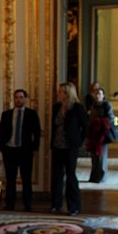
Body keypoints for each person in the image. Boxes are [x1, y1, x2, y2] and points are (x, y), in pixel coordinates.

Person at [0, 88, 41, 211]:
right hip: (10, 150)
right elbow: (2, 132)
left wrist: (34, 148)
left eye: (21, 97)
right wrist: (3, 148)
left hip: (25, 151)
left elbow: (36, 132)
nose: (18, 100)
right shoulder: (6, 114)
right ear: (13, 99)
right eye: (16, 97)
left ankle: (28, 204)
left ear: (25, 99)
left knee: (26, 179)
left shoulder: (32, 114)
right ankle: (10, 204)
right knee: (10, 179)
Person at [50, 82, 88, 215]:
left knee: (71, 176)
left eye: (60, 92)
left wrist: (78, 141)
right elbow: (54, 127)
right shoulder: (56, 108)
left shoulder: (77, 108)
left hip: (70, 147)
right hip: (57, 146)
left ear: (67, 94)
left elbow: (85, 127)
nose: (58, 94)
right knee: (57, 176)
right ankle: (56, 204)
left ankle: (74, 206)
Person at [85, 85, 116, 183]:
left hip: (102, 135)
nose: (97, 96)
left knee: (101, 157)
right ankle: (94, 176)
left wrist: (98, 122)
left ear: (103, 95)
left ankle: (101, 177)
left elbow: (111, 118)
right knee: (94, 157)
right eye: (96, 94)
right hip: (93, 135)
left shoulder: (106, 105)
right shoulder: (93, 105)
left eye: (99, 94)